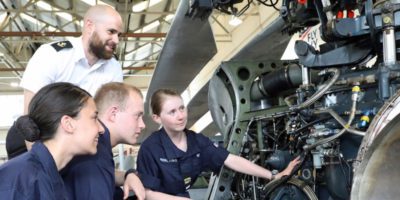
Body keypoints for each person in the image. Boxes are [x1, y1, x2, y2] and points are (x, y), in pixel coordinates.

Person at [137, 88, 301, 199]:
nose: (180, 116)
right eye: (172, 112)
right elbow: (146, 193)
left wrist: (273, 176)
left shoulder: (196, 141)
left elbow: (231, 160)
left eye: (182, 108)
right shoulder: (150, 148)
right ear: (157, 118)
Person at [6, 4, 123, 157]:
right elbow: (30, 116)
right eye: (111, 32)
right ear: (89, 26)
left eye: (119, 35)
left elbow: (106, 119)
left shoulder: (114, 68)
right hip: (33, 136)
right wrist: (38, 161)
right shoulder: (52, 55)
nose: (116, 40)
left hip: (77, 142)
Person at [0, 82, 104, 199]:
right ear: (68, 124)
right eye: (94, 118)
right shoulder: (20, 181)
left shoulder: (49, 178)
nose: (101, 129)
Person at [61, 82, 146, 200]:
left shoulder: (100, 148)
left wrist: (128, 174)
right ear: (113, 114)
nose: (143, 125)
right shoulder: (94, 156)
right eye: (137, 116)